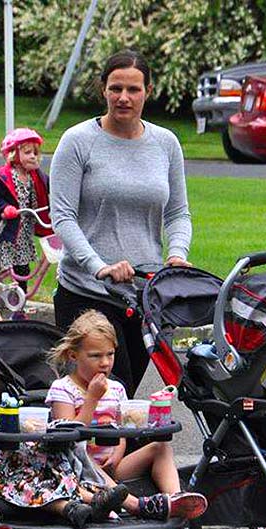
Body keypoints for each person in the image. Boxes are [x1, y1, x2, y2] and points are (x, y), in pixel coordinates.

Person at [49, 50, 193, 397]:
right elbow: (63, 217)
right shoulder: (78, 141)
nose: (123, 98)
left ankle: (115, 454)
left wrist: (176, 255)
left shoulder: (165, 144)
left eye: (133, 89)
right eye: (116, 88)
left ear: (148, 91)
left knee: (121, 402)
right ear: (103, 90)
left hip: (144, 295)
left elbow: (177, 213)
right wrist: (99, 267)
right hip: (88, 293)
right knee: (106, 399)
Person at [0, 346, 128, 529]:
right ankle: (70, 507)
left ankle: (94, 498)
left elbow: (4, 435)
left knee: (41, 459)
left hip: (4, 464)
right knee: (19, 481)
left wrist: (23, 428)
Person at [46, 310, 207, 521]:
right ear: (73, 355)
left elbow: (120, 430)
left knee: (160, 446)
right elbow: (69, 437)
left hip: (113, 464)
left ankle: (174, 498)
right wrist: (92, 399)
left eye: (110, 354)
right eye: (95, 356)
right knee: (80, 452)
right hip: (79, 468)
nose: (105, 363)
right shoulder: (63, 389)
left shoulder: (116, 389)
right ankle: (135, 505)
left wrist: (118, 453)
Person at [0, 127, 51, 292]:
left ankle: (19, 302)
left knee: (22, 269)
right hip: (4, 232)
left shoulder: (37, 176)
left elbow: (52, 188)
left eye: (35, 153)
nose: (33, 156)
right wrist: (4, 208)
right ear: (13, 154)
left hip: (23, 234)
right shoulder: (3, 177)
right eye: (28, 152)